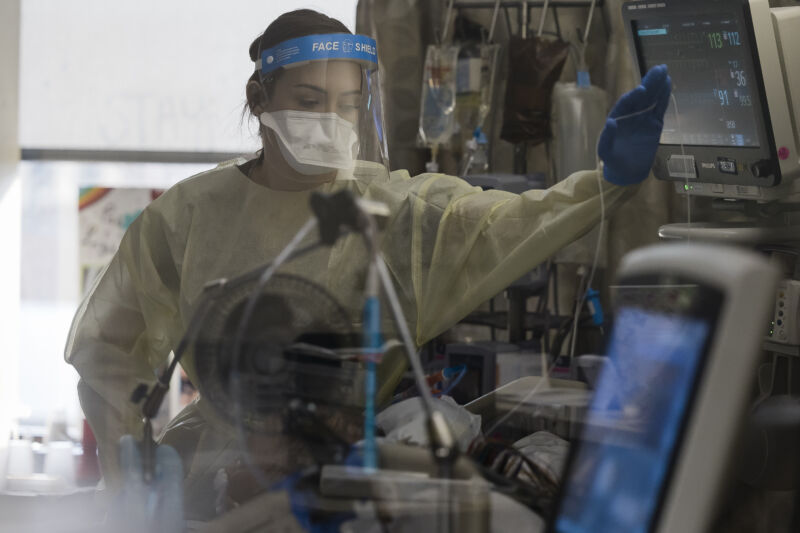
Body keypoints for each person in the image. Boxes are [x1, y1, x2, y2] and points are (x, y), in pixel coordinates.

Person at [65, 8, 671, 521]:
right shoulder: (187, 217)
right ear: (259, 97)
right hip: (213, 481)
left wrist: (604, 184)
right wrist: (132, 476)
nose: (329, 121)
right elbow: (108, 351)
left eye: (347, 104)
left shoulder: (388, 208)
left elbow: (497, 224)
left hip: (350, 468)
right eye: (308, 101)